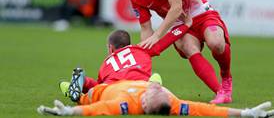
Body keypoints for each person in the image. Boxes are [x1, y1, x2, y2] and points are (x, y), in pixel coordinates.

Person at [127, 0, 233, 104]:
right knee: (189, 49)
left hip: (201, 13)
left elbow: (176, 8)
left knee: (216, 43)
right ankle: (221, 92)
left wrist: (157, 36)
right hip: (180, 24)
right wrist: (146, 53)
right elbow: (146, 28)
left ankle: (226, 78)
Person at [61, 17, 192, 102]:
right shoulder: (142, 49)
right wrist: (186, 25)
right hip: (139, 87)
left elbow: (100, 85)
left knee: (96, 91)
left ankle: (81, 82)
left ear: (111, 48)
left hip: (113, 89)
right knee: (155, 76)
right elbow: (168, 38)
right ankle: (154, 85)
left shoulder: (106, 62)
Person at [38, 80, 274, 117]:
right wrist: (245, 113)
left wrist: (71, 111)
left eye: (156, 90)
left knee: (73, 88)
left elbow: (99, 108)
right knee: (154, 77)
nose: (160, 90)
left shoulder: (127, 104)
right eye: (160, 90)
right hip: (129, 78)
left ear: (145, 104)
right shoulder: (171, 102)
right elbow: (206, 110)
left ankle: (70, 91)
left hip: (98, 90)